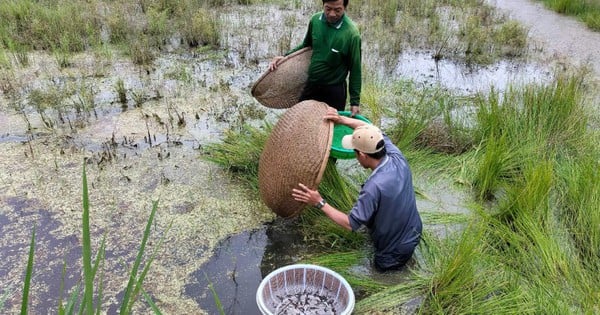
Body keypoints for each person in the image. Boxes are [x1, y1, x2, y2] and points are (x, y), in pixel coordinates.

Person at [292, 107, 422, 272]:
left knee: (383, 274)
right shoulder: (395, 155)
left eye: (355, 152)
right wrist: (343, 120)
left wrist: (319, 202)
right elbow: (371, 129)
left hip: (392, 249)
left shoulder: (373, 186)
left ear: (362, 155)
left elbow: (350, 224)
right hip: (414, 230)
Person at [269, 0, 362, 116]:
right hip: (312, 84)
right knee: (299, 118)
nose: (332, 14)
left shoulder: (351, 34)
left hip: (334, 89)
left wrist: (355, 102)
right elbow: (306, 45)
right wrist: (284, 57)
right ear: (323, 5)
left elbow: (355, 69)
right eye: (328, 9)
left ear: (345, 7)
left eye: (337, 10)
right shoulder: (315, 20)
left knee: (330, 126)